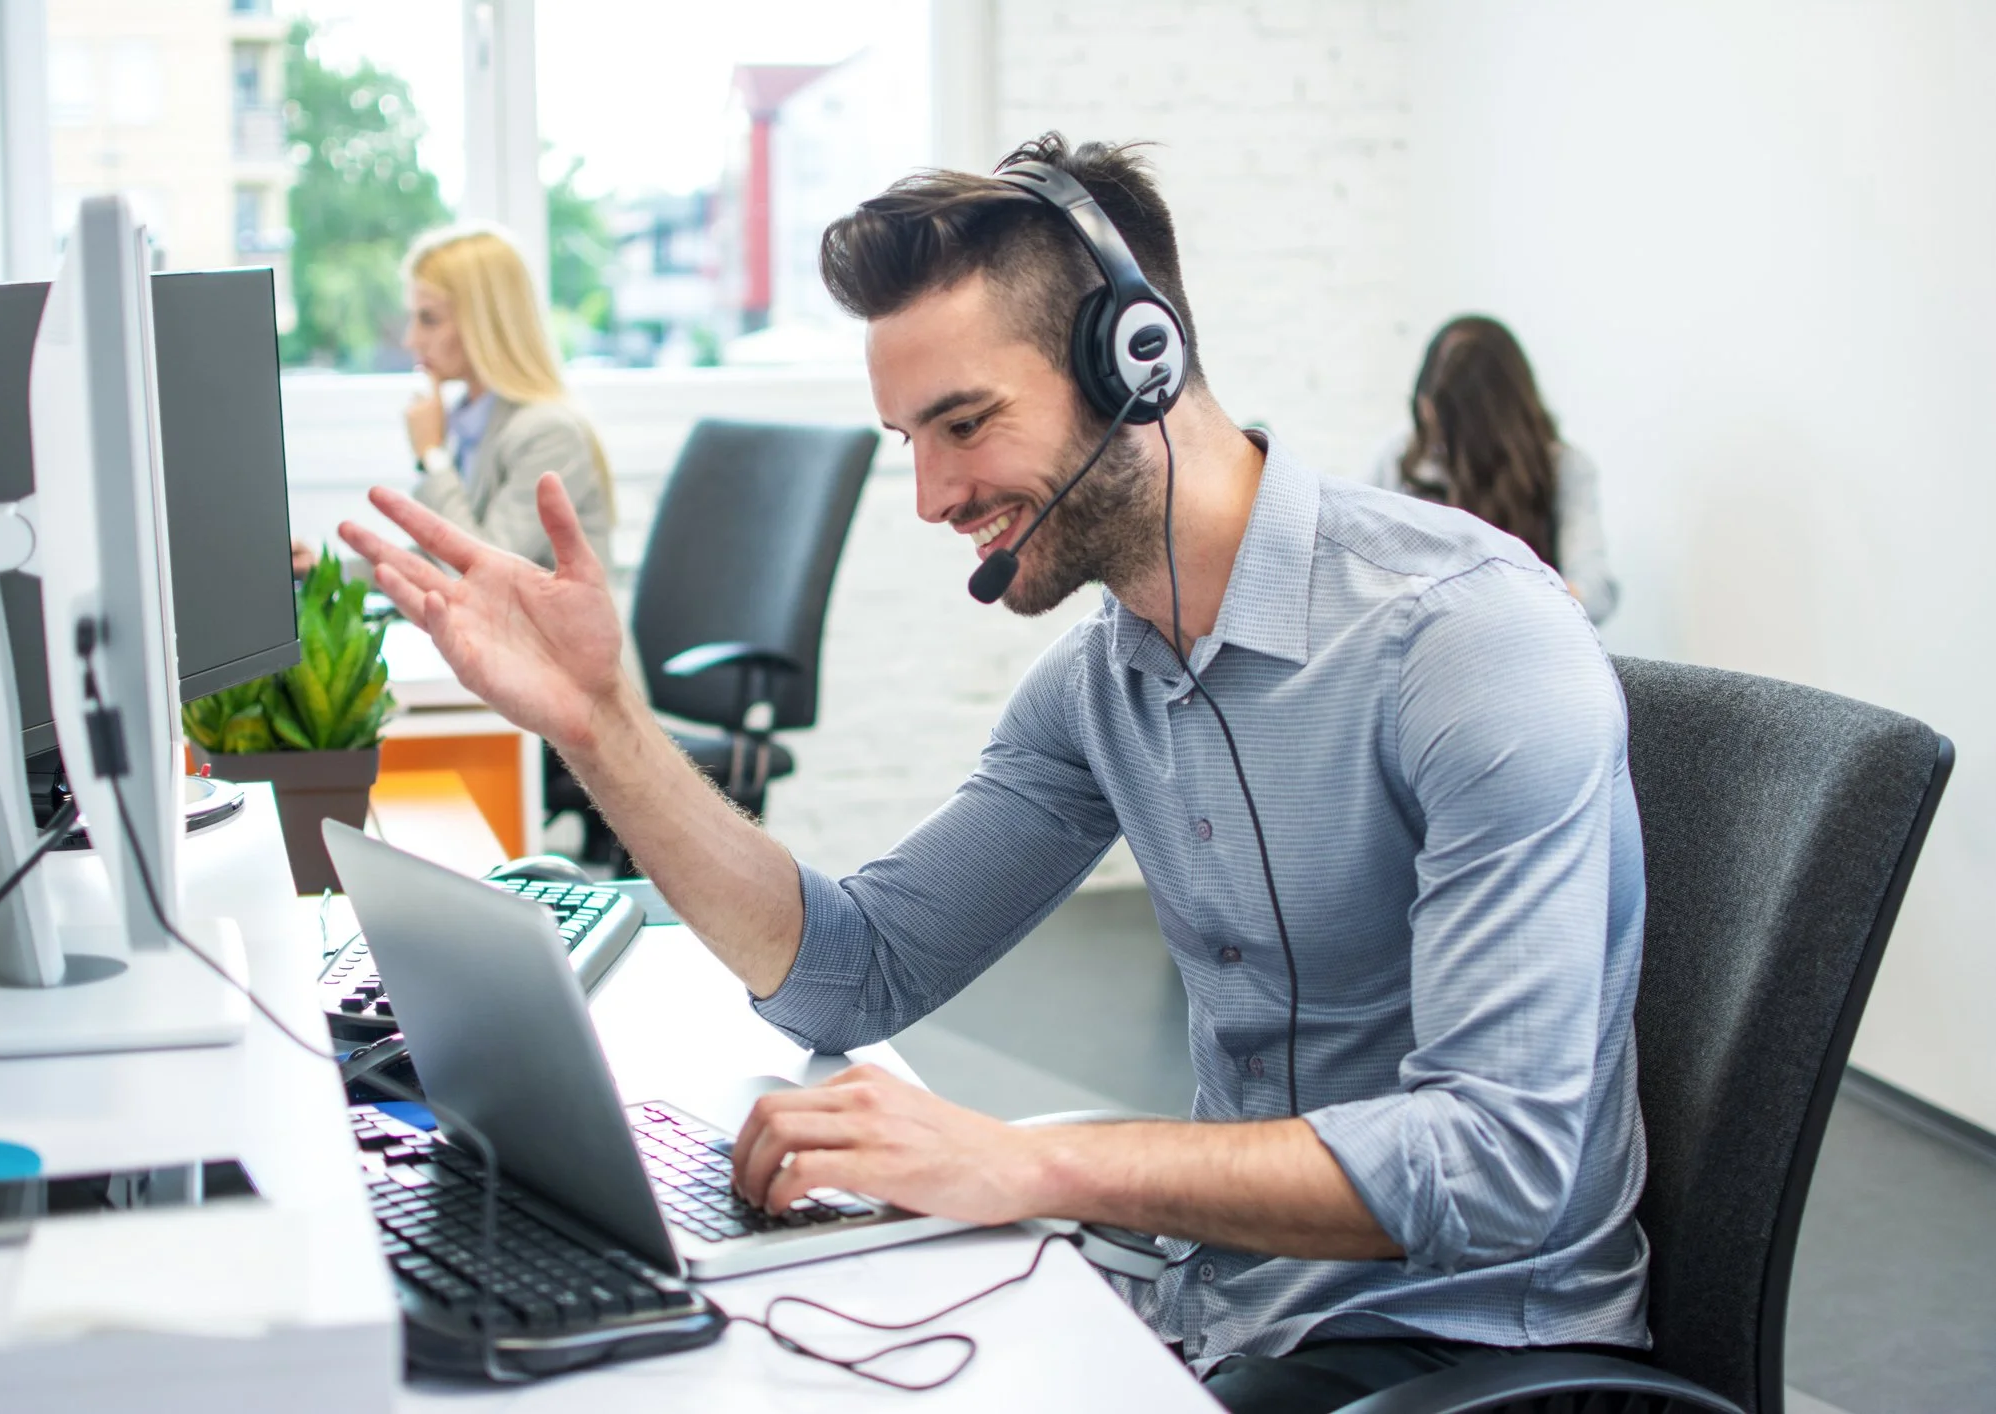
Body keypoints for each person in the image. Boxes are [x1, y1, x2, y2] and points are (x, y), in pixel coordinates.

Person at [339, 135, 1649, 1414]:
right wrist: (602, 723)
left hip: (1458, 1351)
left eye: (962, 423)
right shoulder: (1106, 684)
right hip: (1232, 1307)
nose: (929, 495)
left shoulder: (1468, 641)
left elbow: (1500, 1160)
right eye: (908, 436)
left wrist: (1029, 1160)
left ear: (1138, 364)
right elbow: (856, 967)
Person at [293, 224, 614, 576]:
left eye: (428, 319)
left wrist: (432, 456)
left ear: (484, 324)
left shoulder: (549, 433)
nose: (411, 339)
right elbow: (435, 556)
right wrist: (326, 572)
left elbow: (477, 573)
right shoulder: (476, 418)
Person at [1367, 316, 1618, 623]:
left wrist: (1510, 602)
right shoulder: (1400, 456)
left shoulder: (1564, 468)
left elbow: (1595, 591)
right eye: (1429, 426)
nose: (1436, 447)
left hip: (1519, 646)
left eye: (1447, 433)